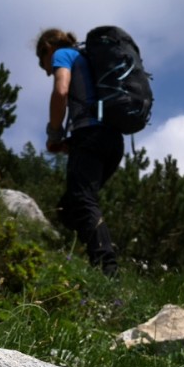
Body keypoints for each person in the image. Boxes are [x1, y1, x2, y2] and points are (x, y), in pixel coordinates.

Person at [36, 28, 124, 277]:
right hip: (112, 140)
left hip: (90, 136)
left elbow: (61, 92)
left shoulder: (63, 54)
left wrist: (54, 135)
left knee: (82, 200)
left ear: (48, 47)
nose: (43, 67)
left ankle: (107, 269)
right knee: (69, 207)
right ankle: (90, 256)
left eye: (40, 58)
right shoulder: (88, 60)